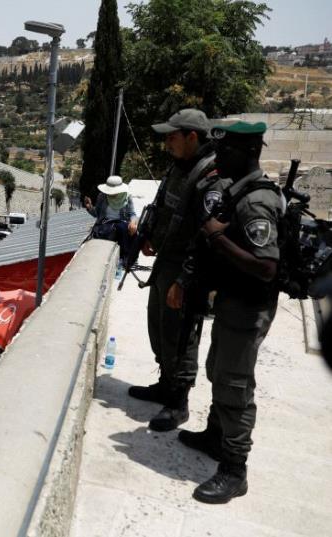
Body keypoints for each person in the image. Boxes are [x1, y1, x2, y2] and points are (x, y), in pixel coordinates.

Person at [175, 121, 282, 504]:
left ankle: (235, 470)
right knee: (217, 370)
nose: (218, 159)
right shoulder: (241, 192)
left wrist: (217, 236)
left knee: (235, 386)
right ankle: (215, 437)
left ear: (247, 152)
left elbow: (266, 265)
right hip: (232, 302)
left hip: (247, 306)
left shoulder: (255, 202)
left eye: (225, 152)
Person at [128, 109, 216, 432]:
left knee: (181, 333)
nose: (167, 142)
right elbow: (166, 208)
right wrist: (150, 235)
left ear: (192, 137)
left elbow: (206, 232)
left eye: (172, 136)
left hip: (185, 269)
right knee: (160, 326)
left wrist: (184, 278)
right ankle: (164, 383)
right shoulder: (179, 167)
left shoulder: (209, 175)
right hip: (166, 260)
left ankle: (178, 401)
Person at [83, 175, 138, 265]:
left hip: (122, 223)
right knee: (108, 231)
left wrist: (133, 222)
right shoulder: (102, 196)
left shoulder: (127, 197)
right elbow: (97, 213)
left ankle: (125, 257)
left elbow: (132, 214)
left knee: (123, 229)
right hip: (105, 223)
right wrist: (89, 207)